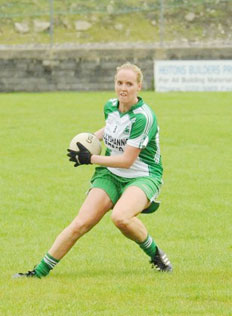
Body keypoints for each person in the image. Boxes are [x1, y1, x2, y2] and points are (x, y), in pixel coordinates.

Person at [14, 62, 172, 278]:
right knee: (81, 223)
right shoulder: (110, 106)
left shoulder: (143, 118)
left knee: (121, 218)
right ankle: (38, 273)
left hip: (142, 176)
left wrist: (91, 158)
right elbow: (112, 126)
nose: (123, 88)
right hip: (109, 174)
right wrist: (91, 138)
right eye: (119, 83)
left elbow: (127, 160)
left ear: (139, 87)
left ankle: (156, 255)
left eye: (129, 84)